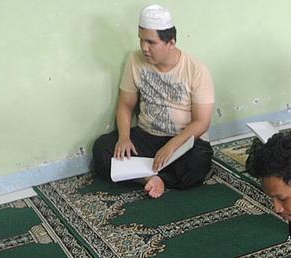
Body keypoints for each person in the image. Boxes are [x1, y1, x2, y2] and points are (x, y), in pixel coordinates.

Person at [91, 4, 215, 198]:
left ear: (171, 42)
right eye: (141, 40)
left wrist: (171, 146)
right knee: (101, 148)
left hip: (183, 141)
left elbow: (202, 122)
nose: (144, 48)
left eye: (151, 42)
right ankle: (149, 178)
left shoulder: (196, 69)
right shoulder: (135, 60)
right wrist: (124, 138)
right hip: (147, 136)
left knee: (196, 164)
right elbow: (125, 105)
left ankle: (139, 172)